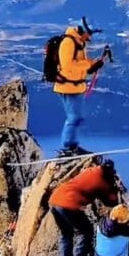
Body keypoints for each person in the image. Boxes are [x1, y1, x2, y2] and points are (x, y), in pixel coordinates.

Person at [48, 160, 122, 256]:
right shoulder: (102, 182)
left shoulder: (90, 170)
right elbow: (111, 201)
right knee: (85, 230)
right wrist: (114, 187)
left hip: (54, 200)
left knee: (66, 232)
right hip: (68, 203)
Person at [53, 22, 106, 157]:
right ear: (83, 31)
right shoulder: (68, 42)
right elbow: (68, 65)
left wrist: (92, 65)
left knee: (77, 117)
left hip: (76, 87)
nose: (90, 37)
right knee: (73, 117)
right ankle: (67, 148)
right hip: (67, 87)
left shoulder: (79, 43)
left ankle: (72, 146)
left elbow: (80, 65)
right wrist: (88, 64)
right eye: (89, 33)